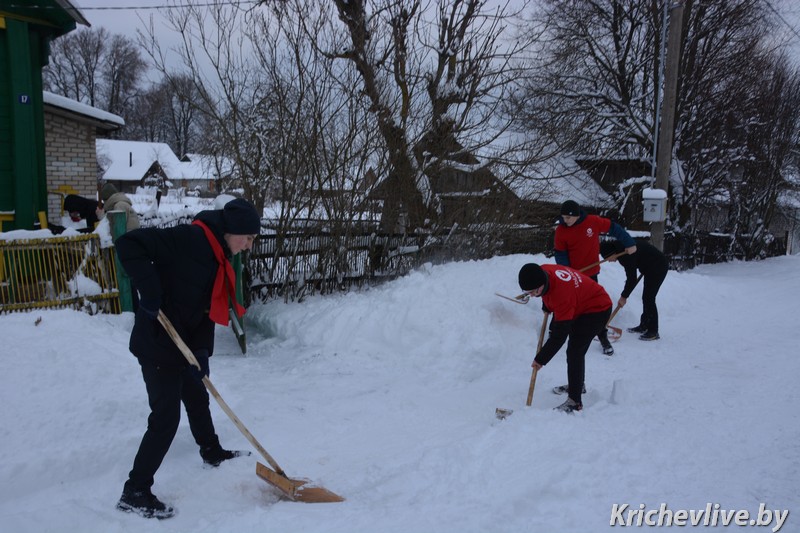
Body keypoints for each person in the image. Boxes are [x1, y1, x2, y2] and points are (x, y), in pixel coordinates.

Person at [113, 198, 261, 519]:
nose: (248, 246)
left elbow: (205, 310)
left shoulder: (218, 256)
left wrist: (202, 351)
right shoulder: (188, 239)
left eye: (252, 240)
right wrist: (149, 292)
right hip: (157, 342)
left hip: (183, 342)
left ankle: (211, 450)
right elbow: (129, 244)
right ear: (232, 231)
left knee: (197, 395)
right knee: (166, 417)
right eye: (247, 238)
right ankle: (135, 491)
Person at [518, 262, 612, 413]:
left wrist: (541, 359)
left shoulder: (562, 297)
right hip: (581, 303)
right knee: (575, 350)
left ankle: (575, 401)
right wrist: (547, 306)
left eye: (533, 292)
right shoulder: (543, 271)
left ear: (542, 284)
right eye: (528, 292)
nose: (531, 295)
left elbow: (559, 336)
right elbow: (548, 293)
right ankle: (578, 385)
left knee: (575, 351)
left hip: (597, 309)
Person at [553, 200, 637, 356]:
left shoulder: (593, 222)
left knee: (595, 307)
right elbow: (560, 254)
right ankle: (556, 334)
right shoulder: (561, 231)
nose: (566, 221)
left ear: (577, 216)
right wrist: (568, 272)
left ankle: (603, 338)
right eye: (563, 217)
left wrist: (629, 242)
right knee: (568, 305)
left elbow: (614, 228)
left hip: (591, 275)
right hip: (573, 275)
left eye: (568, 218)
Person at [600, 238, 669, 341]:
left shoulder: (626, 254)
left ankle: (653, 331)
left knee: (649, 298)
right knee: (646, 297)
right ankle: (644, 325)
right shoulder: (623, 246)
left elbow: (632, 279)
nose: (609, 261)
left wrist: (624, 296)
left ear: (613, 253)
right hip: (650, 266)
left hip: (658, 266)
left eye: (608, 258)